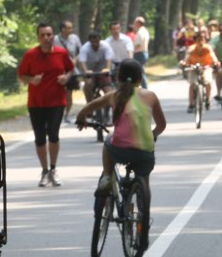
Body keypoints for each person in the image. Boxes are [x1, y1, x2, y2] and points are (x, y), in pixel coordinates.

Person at [75, 59, 166, 195]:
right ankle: (143, 209)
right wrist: (152, 135)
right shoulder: (150, 96)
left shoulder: (113, 96)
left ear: (118, 78)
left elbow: (88, 108)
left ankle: (106, 176)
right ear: (140, 78)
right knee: (145, 180)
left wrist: (81, 119)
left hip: (120, 150)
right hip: (145, 153)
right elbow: (161, 125)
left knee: (108, 139)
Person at [17, 23, 74, 187]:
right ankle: (44, 171)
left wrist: (66, 78)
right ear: (38, 37)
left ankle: (54, 169)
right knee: (40, 137)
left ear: (53, 35)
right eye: (43, 35)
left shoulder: (61, 53)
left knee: (54, 135)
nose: (46, 38)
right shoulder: (30, 55)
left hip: (57, 102)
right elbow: (21, 75)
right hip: (36, 103)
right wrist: (32, 80)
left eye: (49, 35)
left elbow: (70, 69)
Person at [180, 28, 220, 112]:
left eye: (202, 40)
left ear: (205, 40)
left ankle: (208, 100)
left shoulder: (208, 48)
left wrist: (216, 62)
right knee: (192, 84)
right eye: (198, 40)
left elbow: (213, 56)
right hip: (193, 68)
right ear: (195, 41)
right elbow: (186, 58)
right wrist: (184, 63)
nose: (200, 42)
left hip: (205, 67)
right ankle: (191, 104)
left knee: (208, 82)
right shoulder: (191, 49)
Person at [54, 20, 83, 123]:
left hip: (72, 70)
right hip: (58, 70)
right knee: (57, 93)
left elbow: (81, 51)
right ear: (63, 29)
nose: (72, 30)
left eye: (72, 28)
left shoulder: (75, 38)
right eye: (69, 28)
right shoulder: (55, 40)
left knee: (68, 93)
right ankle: (57, 114)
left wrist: (75, 60)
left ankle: (67, 114)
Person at [78, 31, 115, 105]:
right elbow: (82, 62)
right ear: (89, 42)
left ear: (100, 40)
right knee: (88, 84)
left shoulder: (105, 46)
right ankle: (89, 104)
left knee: (109, 90)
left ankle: (112, 106)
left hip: (103, 71)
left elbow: (109, 59)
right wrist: (86, 71)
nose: (95, 43)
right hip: (90, 71)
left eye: (97, 41)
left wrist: (107, 69)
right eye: (93, 42)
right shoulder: (84, 48)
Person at [133, 16, 150, 88]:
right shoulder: (145, 31)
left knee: (140, 72)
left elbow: (138, 45)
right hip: (144, 52)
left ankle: (145, 88)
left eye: (135, 22)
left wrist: (133, 52)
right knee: (141, 71)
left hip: (140, 53)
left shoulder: (140, 32)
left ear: (138, 23)